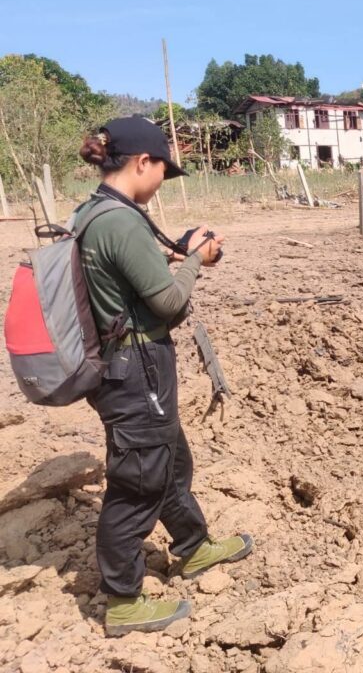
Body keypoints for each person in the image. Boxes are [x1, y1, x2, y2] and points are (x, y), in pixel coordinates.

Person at [75, 117, 253, 636]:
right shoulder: (120, 221)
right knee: (137, 483)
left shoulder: (97, 211)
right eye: (162, 171)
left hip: (133, 367)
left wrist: (176, 251)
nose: (161, 183)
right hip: (134, 372)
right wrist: (196, 260)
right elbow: (170, 302)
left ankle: (194, 548)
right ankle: (124, 602)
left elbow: (127, 276)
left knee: (170, 461)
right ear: (142, 162)